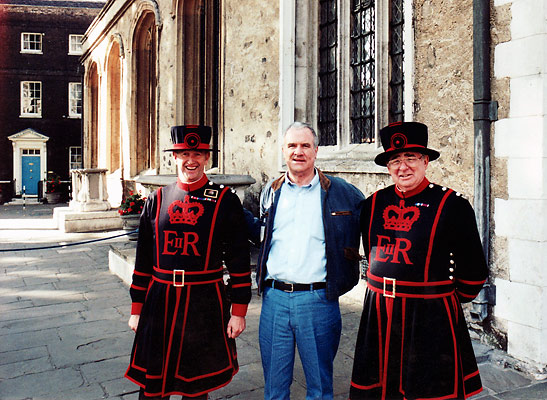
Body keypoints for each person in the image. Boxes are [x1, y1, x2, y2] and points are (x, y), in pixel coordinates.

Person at [349, 122, 488, 399]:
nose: (403, 167)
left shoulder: (452, 205)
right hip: (379, 313)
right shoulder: (373, 204)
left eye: (410, 158)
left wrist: (438, 297)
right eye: (395, 160)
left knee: (428, 390)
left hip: (429, 315)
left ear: (425, 161)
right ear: (388, 166)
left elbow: (473, 270)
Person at [125, 125, 252, 399]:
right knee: (152, 387)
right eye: (183, 153)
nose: (190, 160)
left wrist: (239, 310)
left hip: (204, 301)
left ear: (207, 158)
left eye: (197, 153)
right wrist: (137, 307)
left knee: (196, 387)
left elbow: (239, 259)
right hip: (160, 301)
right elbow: (143, 260)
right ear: (174, 156)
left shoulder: (224, 201)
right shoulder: (156, 200)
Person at [254, 121, 365, 399]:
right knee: (274, 389)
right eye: (292, 145)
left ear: (316, 151)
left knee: (319, 388)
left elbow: (371, 224)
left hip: (317, 301)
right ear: (284, 151)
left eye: (305, 145)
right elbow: (263, 235)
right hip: (274, 301)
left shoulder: (342, 192)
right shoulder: (272, 191)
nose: (298, 151)